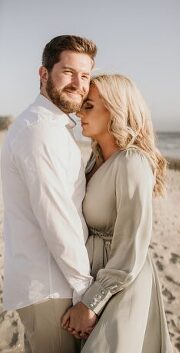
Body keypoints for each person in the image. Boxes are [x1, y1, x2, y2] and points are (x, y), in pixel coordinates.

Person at [60, 73, 173, 352]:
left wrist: (93, 301)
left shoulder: (132, 162)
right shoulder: (95, 160)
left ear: (115, 109)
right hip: (93, 276)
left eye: (89, 105)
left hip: (121, 285)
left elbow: (132, 242)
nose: (79, 111)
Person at [1, 35, 97, 353]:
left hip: (46, 283)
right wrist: (85, 290)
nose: (78, 83)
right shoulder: (40, 131)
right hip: (53, 287)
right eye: (68, 72)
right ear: (44, 74)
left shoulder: (48, 126)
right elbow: (57, 218)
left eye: (85, 75)